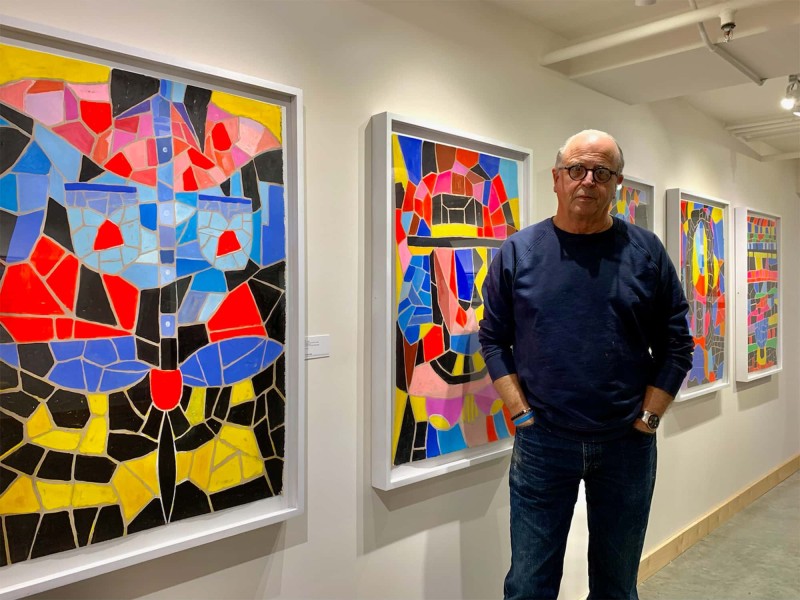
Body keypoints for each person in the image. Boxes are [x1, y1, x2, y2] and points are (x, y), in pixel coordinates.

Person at [479, 130, 694, 600]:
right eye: (576, 169)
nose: (587, 180)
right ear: (557, 179)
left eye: (602, 172)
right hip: (543, 444)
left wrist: (649, 418)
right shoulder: (519, 252)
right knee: (529, 585)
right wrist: (521, 414)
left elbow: (678, 345)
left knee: (616, 586)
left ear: (617, 183)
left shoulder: (646, 253)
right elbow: (493, 340)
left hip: (626, 445)